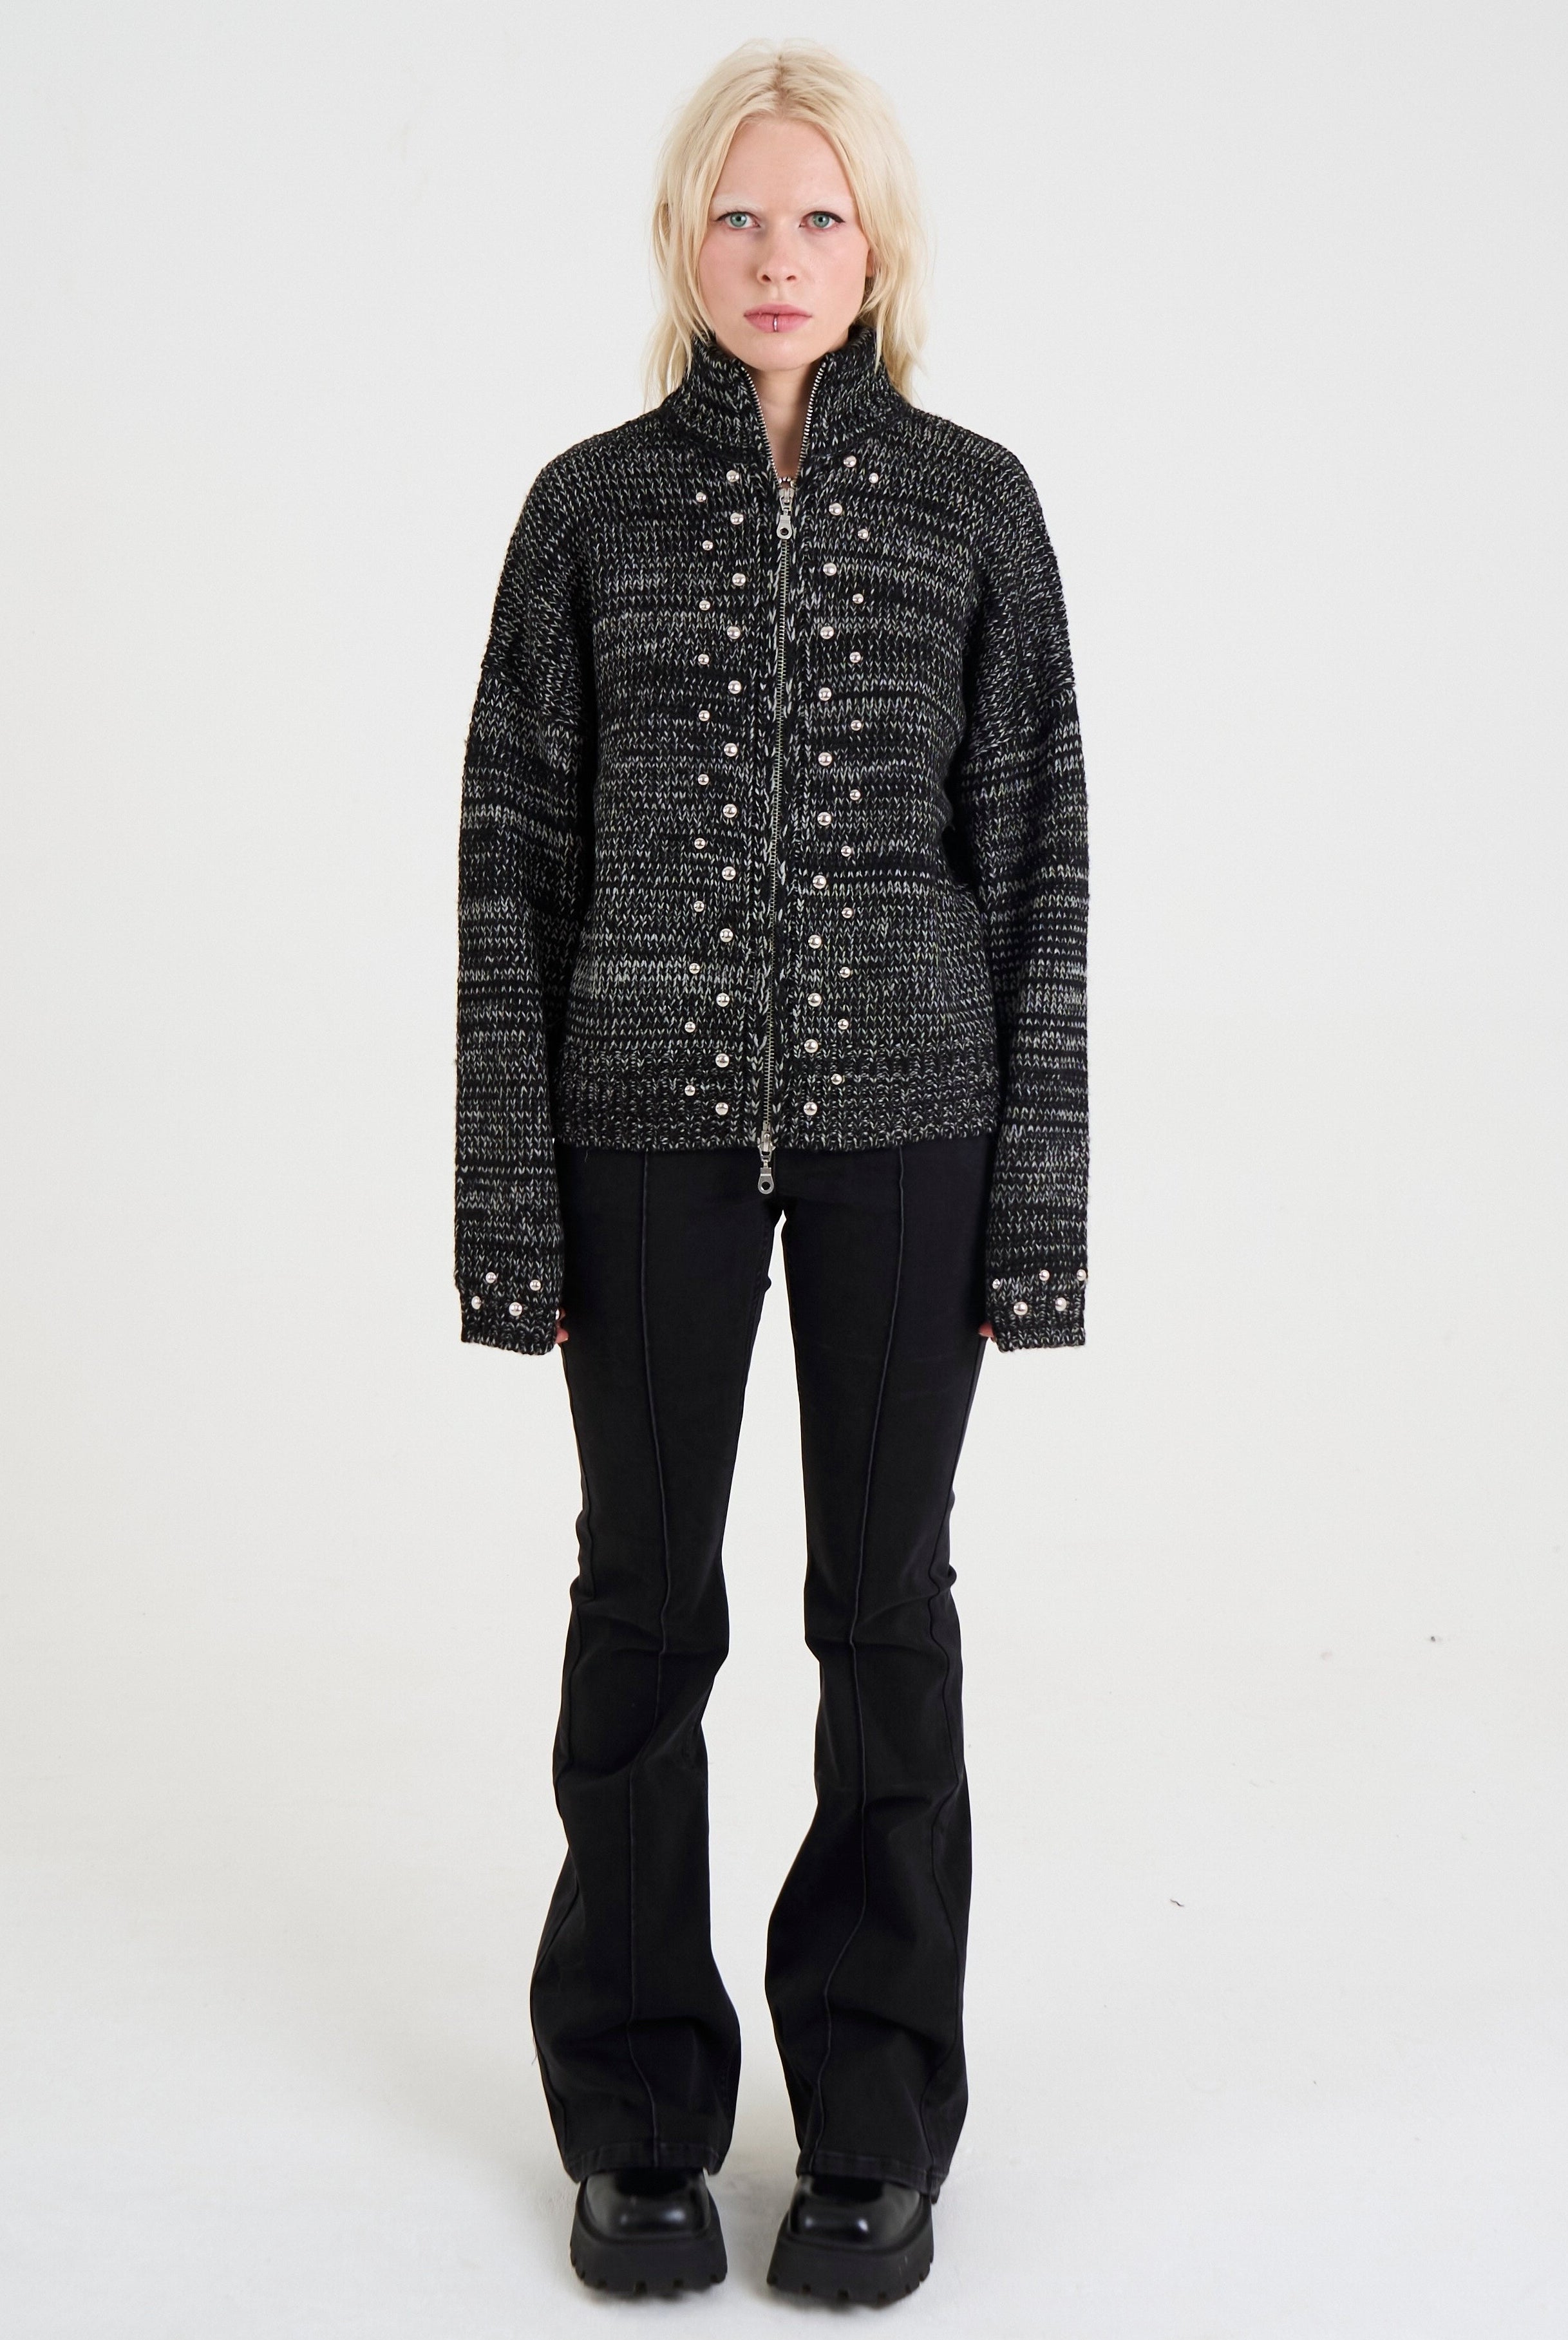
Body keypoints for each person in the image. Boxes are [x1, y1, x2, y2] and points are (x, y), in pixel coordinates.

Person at [453, 37, 1088, 2306]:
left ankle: (872, 2127)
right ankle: (636, 2123)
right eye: (739, 214)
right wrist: (507, 1205)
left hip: (915, 1121)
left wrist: (1036, 1208)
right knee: (644, 1609)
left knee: (881, 1611)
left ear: (878, 244)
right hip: (637, 1124)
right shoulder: (588, 511)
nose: (778, 254)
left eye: (819, 215)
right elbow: (512, 861)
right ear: (680, 240)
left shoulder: (975, 505)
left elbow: (1038, 857)